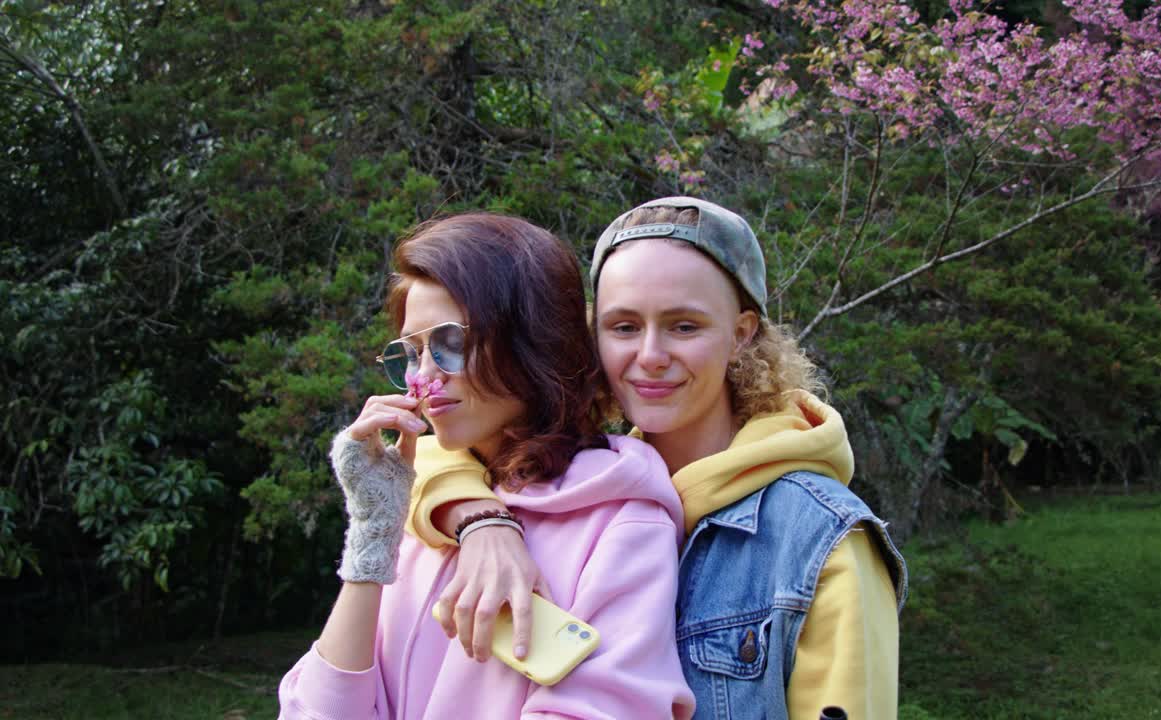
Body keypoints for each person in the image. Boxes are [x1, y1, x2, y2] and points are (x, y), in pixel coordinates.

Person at [412, 198, 908, 719]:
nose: (650, 356)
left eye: (684, 326)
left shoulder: (823, 540)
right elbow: (436, 454)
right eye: (624, 327)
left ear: (740, 335)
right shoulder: (591, 487)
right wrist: (482, 522)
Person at [278, 213, 695, 720]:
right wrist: (371, 538)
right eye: (410, 353)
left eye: (451, 344)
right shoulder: (420, 507)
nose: (424, 378)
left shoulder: (623, 521)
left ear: (534, 340)